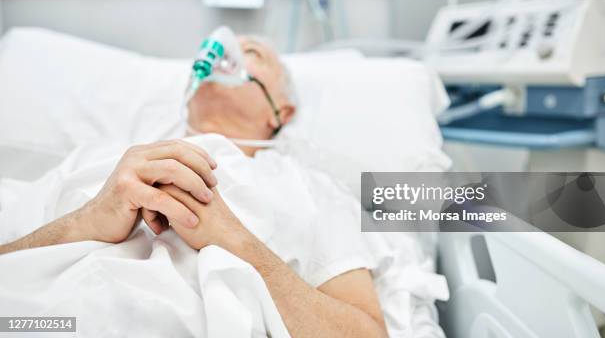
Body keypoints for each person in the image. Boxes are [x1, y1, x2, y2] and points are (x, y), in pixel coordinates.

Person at [0, 37, 388, 337]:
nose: (224, 51)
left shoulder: (309, 189)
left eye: (250, 51)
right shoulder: (95, 161)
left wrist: (233, 238)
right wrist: (85, 221)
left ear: (281, 110)